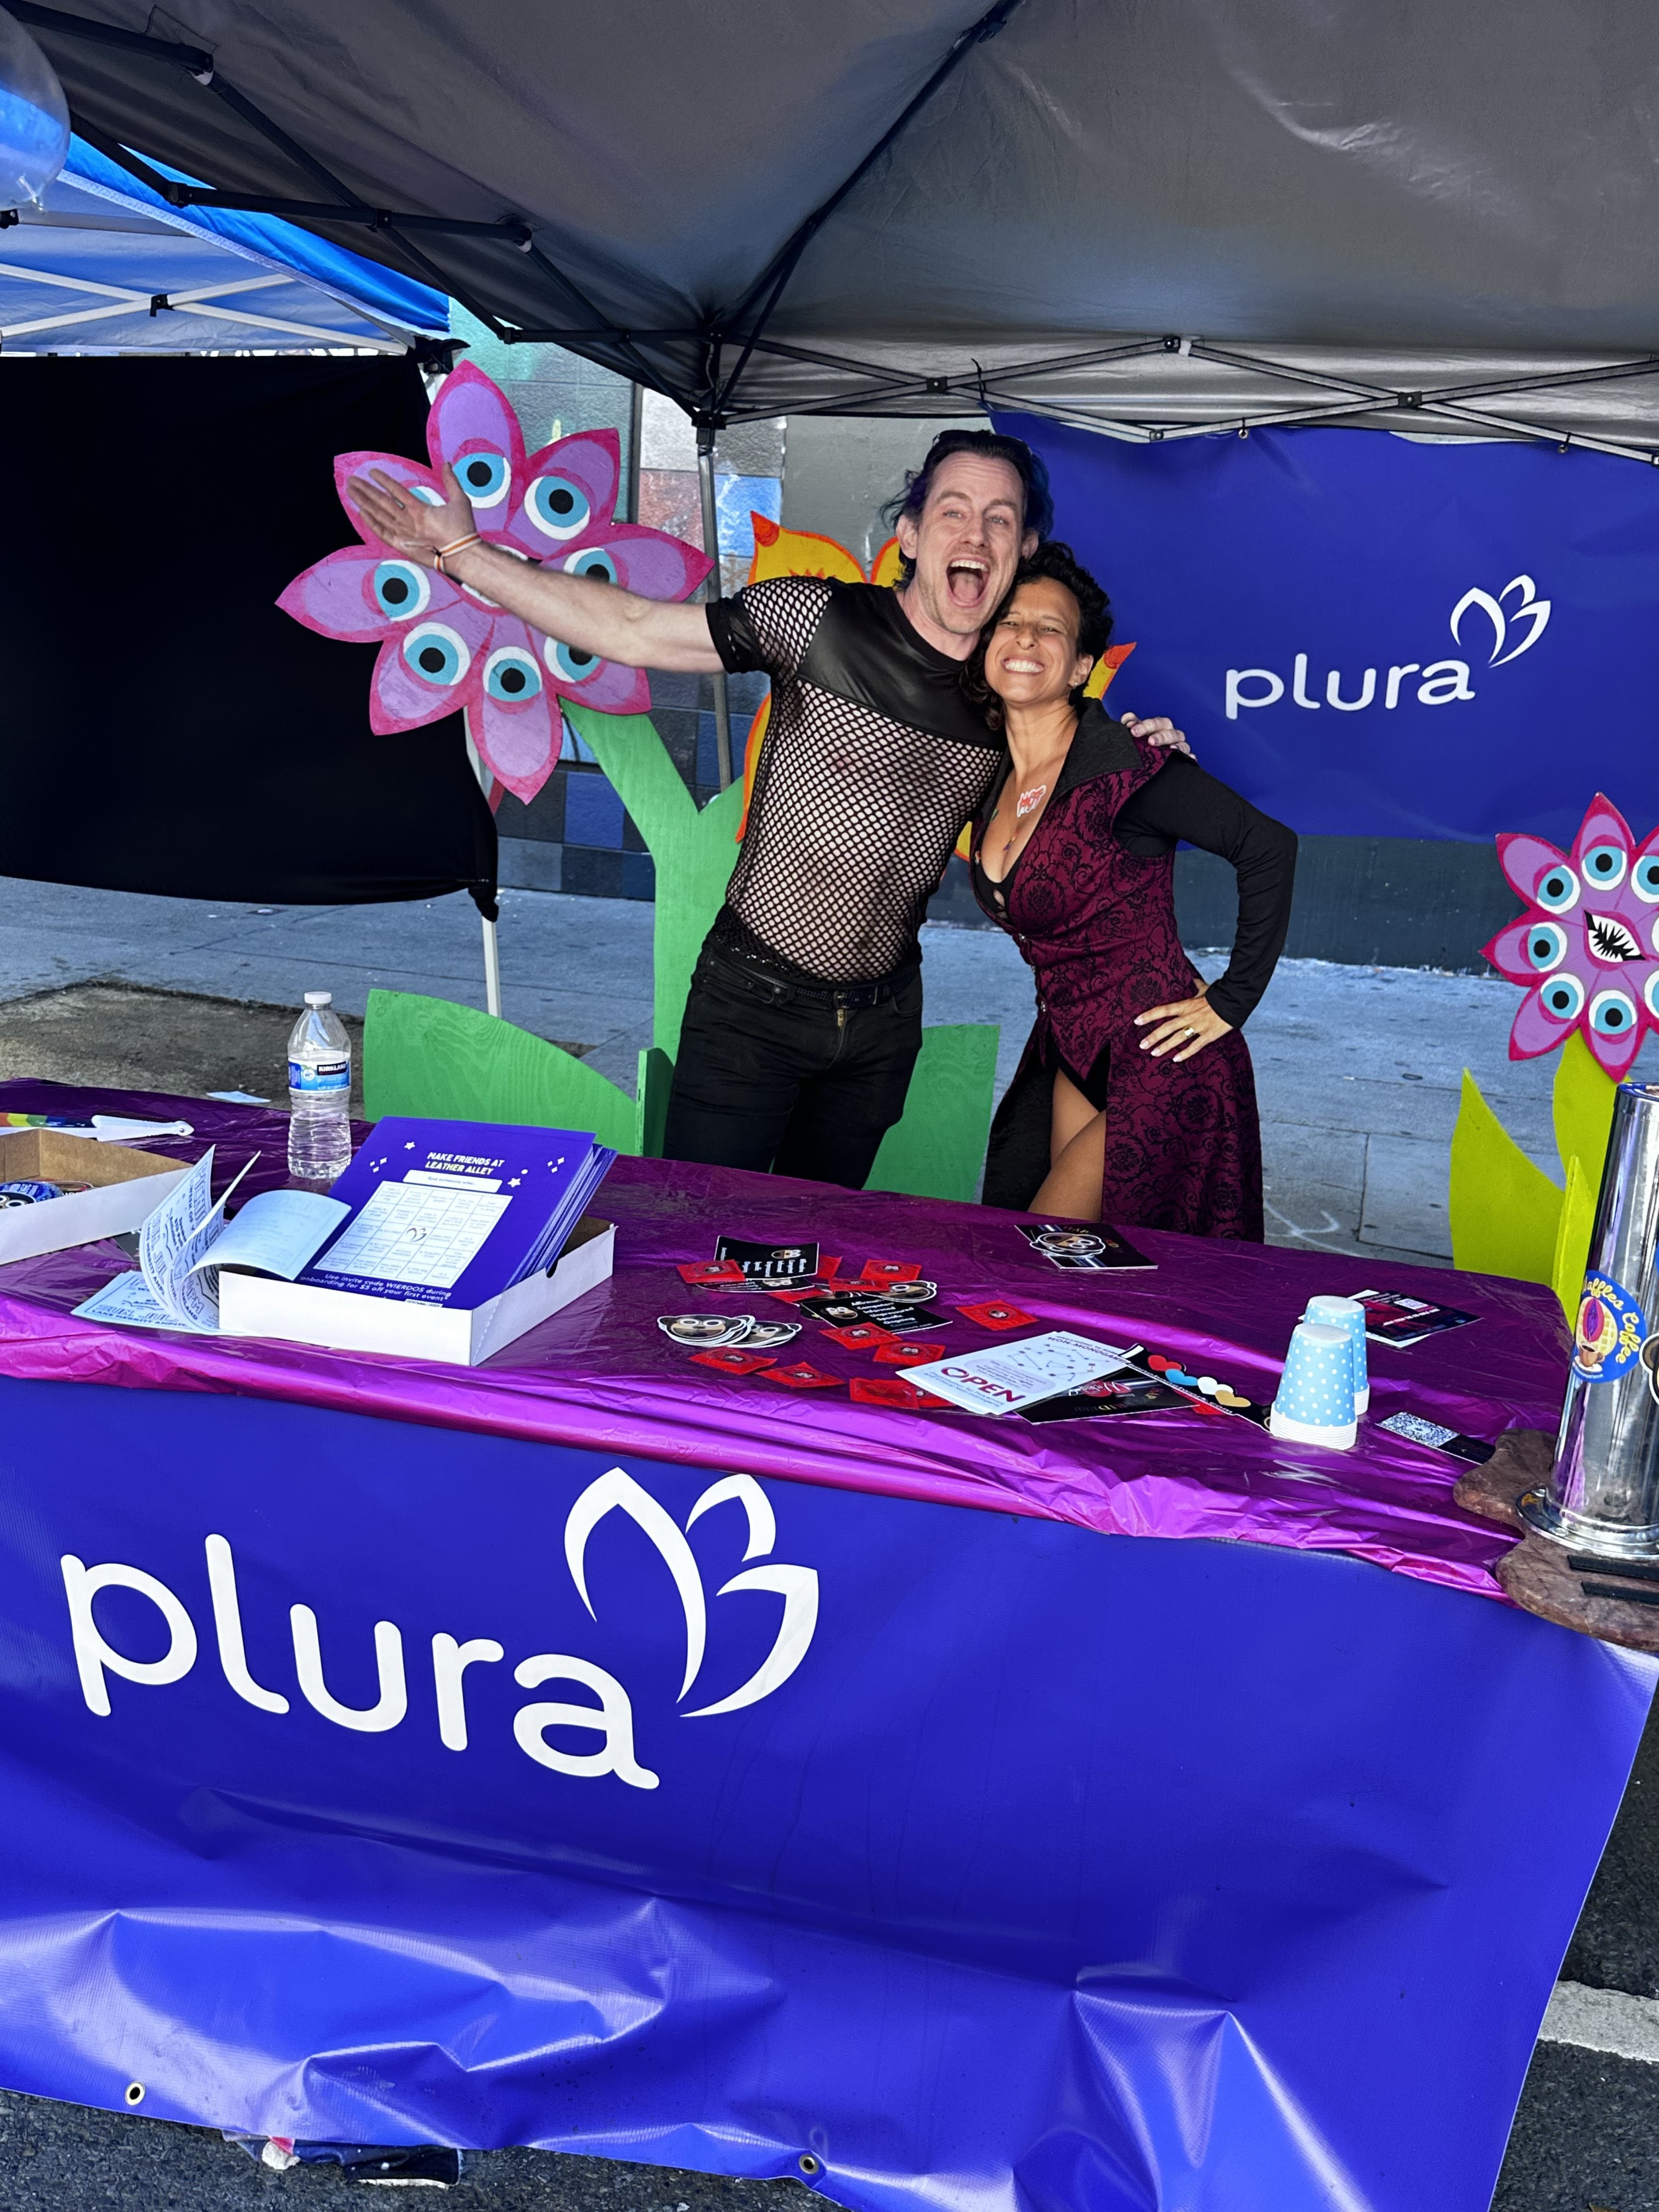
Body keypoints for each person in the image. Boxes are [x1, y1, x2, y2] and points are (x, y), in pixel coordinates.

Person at [348, 430, 1187, 1189]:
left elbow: (1093, 800)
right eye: (954, 512)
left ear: (1025, 549)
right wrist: (462, 550)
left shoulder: (1015, 692)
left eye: (1000, 521)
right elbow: (636, 628)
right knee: (695, 1248)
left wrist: (1152, 753)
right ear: (911, 535)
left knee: (807, 1259)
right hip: (750, 1008)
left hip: (881, 1027)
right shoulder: (813, 619)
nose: (975, 535)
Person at [969, 543, 1296, 1237]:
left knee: (1043, 1250)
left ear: (1082, 666)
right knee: (1088, 1272)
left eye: (1051, 628)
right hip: (1073, 1052)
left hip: (1166, 1058)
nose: (1026, 637)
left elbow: (1269, 847)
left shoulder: (1130, 766)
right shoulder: (993, 777)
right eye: (1010, 621)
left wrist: (1233, 1000)